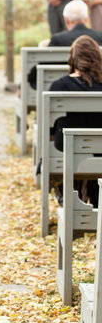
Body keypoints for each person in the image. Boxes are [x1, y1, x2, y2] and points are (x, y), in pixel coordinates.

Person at [49, 35, 102, 206]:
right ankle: (92, 196)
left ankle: (68, 191)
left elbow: (50, 129)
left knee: (65, 130)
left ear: (72, 59)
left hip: (69, 150)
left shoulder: (59, 86)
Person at [27, 0, 102, 89]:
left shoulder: (58, 39)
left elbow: (36, 74)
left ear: (66, 20)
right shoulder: (100, 37)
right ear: (86, 19)